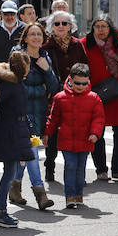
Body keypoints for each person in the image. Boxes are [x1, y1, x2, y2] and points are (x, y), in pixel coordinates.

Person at [83, 15, 118, 181]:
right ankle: (101, 169)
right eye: (97, 26)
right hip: (95, 94)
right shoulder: (84, 44)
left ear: (110, 28)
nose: (101, 30)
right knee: (96, 132)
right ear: (93, 28)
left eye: (104, 26)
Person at [9, 23, 58, 210]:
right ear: (26, 37)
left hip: (38, 113)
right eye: (32, 34)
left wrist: (47, 70)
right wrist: (39, 88)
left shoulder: (44, 57)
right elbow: (15, 84)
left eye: (39, 34)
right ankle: (41, 194)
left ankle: (14, 187)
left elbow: (54, 87)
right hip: (21, 114)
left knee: (26, 153)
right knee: (31, 153)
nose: (36, 37)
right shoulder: (18, 56)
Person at [43, 64, 105, 208]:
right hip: (66, 139)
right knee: (70, 165)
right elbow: (53, 118)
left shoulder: (94, 98)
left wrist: (95, 133)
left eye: (84, 83)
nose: (81, 86)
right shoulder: (60, 97)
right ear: (70, 80)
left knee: (80, 167)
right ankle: (70, 196)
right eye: (77, 83)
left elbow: (99, 118)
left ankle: (78, 194)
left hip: (85, 140)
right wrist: (47, 133)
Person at [0, 51, 35, 228]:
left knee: (12, 172)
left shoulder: (13, 83)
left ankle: (0, 210)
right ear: (24, 67)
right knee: (10, 173)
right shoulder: (11, 85)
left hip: (13, 130)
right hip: (10, 131)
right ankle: (0, 211)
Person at [42, 10, 88, 181]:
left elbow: (85, 68)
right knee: (52, 134)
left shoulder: (77, 45)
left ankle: (78, 172)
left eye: (64, 23)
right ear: (51, 27)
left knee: (76, 133)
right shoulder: (46, 46)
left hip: (76, 94)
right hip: (54, 95)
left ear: (71, 26)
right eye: (57, 24)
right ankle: (50, 166)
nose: (61, 27)